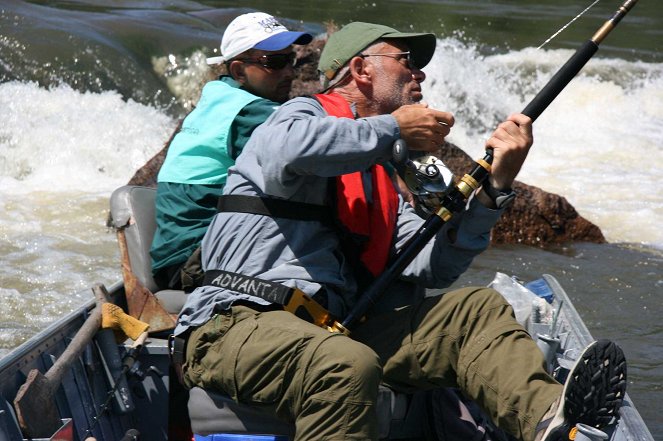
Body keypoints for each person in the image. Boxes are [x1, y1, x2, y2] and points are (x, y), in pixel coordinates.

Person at [174, 22, 626, 441]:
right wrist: (393, 128)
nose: (421, 75)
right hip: (236, 323)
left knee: (475, 310)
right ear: (360, 69)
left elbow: (433, 262)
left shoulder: (385, 177)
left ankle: (554, 424)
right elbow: (292, 152)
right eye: (407, 60)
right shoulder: (294, 116)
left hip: (334, 329)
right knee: (344, 363)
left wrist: (496, 189)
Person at [150, 12, 313, 291]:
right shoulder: (246, 112)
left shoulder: (220, 98)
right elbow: (315, 144)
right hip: (192, 263)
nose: (289, 72)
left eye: (291, 60)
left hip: (185, 255)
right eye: (274, 62)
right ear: (238, 71)